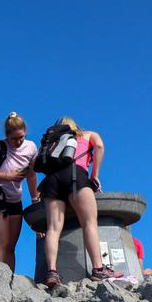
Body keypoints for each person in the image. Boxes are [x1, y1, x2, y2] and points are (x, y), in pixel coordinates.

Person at [39, 117, 119, 288]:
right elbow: (99, 146)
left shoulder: (53, 141)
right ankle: (98, 269)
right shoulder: (88, 134)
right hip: (76, 175)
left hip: (51, 180)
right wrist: (94, 175)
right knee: (89, 223)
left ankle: (52, 272)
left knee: (52, 228)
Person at [0, 113, 39, 270]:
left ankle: (9, 282)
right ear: (7, 136)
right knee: (2, 242)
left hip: (15, 200)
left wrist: (34, 198)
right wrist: (8, 176)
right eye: (14, 139)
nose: (18, 142)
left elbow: (31, 174)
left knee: (11, 246)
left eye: (21, 137)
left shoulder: (31, 147)